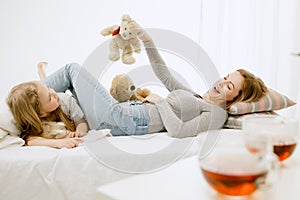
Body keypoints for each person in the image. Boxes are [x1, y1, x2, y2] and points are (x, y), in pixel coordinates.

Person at [6, 28, 267, 148]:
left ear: (236, 98)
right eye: (224, 76)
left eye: (229, 85)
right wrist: (146, 39)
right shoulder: (195, 95)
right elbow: (162, 72)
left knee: (72, 71)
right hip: (122, 111)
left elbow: (179, 131)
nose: (221, 82)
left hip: (125, 120)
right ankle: (33, 106)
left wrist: (159, 102)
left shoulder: (217, 115)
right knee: (68, 95)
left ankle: (27, 101)